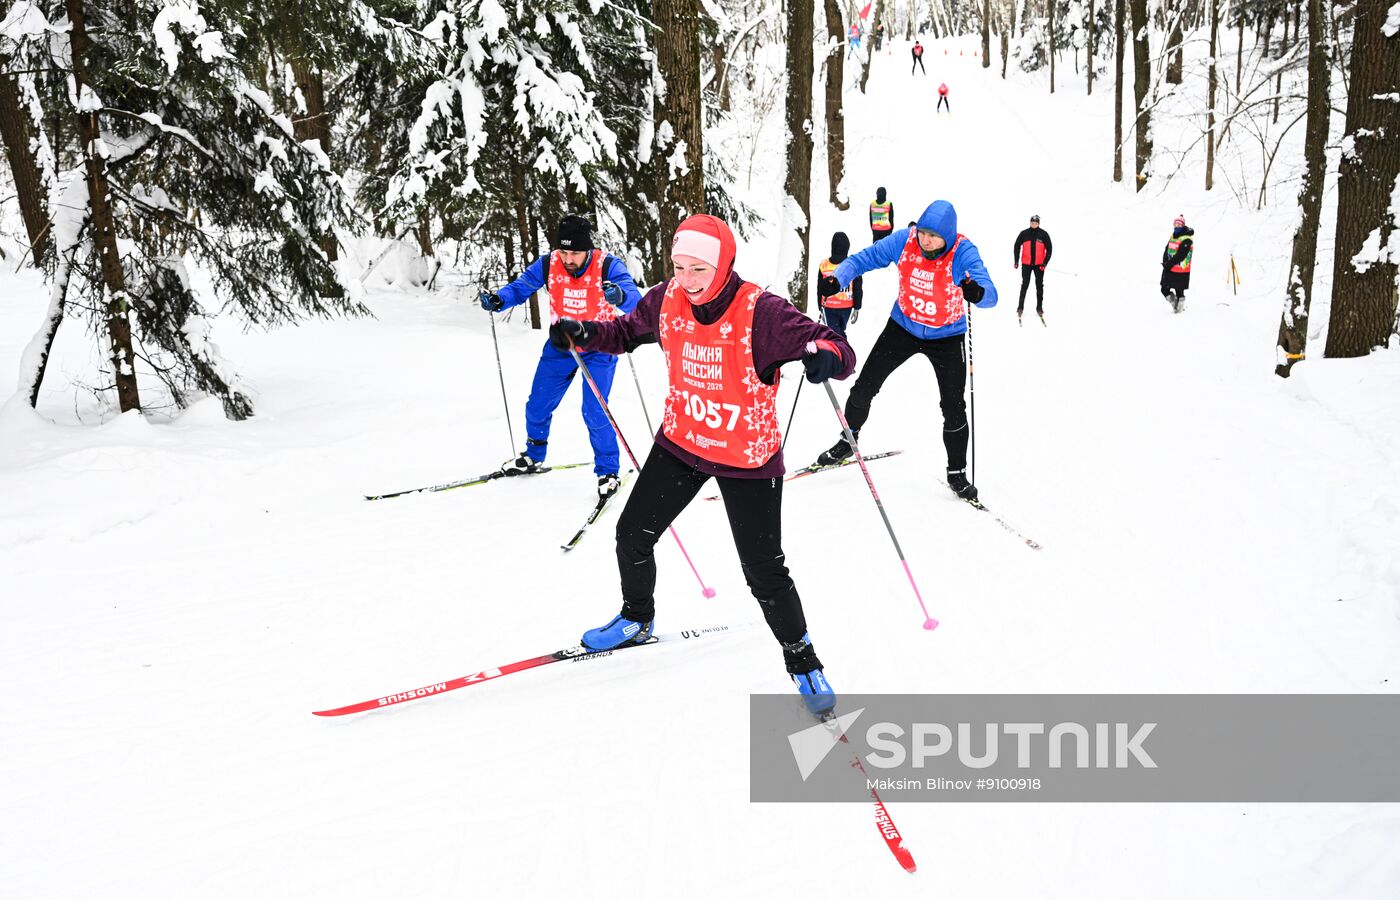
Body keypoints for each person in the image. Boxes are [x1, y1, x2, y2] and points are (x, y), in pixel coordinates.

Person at [548, 214, 856, 716]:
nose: (686, 280)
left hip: (746, 457)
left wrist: (825, 355)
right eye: (679, 267)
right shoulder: (667, 297)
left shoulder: (762, 312)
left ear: (724, 263)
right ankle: (636, 617)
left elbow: (838, 347)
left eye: (698, 269)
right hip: (682, 441)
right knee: (632, 534)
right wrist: (585, 332)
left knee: (763, 571)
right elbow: (626, 332)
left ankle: (803, 661)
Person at [814, 200, 998, 501]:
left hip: (947, 336)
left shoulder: (962, 251)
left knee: (953, 406)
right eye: (923, 233)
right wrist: (839, 278)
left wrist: (977, 292)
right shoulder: (905, 240)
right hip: (903, 327)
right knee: (865, 385)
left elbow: (990, 292)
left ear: (948, 237)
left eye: (934, 236)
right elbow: (865, 258)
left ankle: (957, 473)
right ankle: (848, 440)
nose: (926, 241)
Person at [479, 215, 641, 498]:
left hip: (599, 346)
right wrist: (500, 299)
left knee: (594, 411)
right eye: (564, 251)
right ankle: (533, 455)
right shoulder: (548, 263)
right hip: (561, 345)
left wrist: (619, 296)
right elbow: (521, 287)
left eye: (575, 253)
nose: (568, 258)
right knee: (537, 404)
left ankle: (607, 472)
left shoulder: (606, 265)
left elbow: (635, 300)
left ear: (587, 249)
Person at [816, 232, 863, 336]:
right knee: (839, 332)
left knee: (835, 333)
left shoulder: (824, 265)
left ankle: (840, 349)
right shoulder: (852, 265)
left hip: (829, 305)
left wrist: (820, 306)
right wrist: (857, 307)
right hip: (846, 306)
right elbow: (857, 287)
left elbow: (820, 287)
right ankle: (842, 349)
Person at [1013, 214, 1053, 322]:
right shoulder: (1024, 233)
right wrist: (1016, 261)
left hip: (1039, 266)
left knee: (1039, 286)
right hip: (1026, 265)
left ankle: (1039, 307)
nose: (1033, 224)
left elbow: (1049, 249)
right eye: (1032, 223)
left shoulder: (1044, 234)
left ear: (1038, 223)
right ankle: (1020, 307)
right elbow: (1016, 246)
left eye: (1035, 223)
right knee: (1024, 285)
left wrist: (1044, 263)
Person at [1161, 215, 1194, 313]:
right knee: (1164, 289)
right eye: (1175, 224)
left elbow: (1181, 255)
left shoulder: (1187, 239)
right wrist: (1165, 261)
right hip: (1170, 267)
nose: (1176, 226)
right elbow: (1167, 248)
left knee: (1179, 291)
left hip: (1180, 269)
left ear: (1183, 225)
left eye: (1179, 224)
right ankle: (1175, 305)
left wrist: (1169, 264)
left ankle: (1179, 310)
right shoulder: (1173, 235)